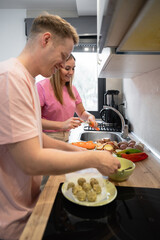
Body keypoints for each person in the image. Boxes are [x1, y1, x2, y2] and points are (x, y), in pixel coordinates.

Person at [0, 13, 120, 240]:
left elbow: (37, 137)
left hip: (26, 208)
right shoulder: (10, 78)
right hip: (10, 222)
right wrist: (95, 159)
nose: (64, 65)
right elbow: (31, 161)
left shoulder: (26, 79)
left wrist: (78, 150)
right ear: (45, 40)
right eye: (63, 55)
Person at [37, 53, 97, 142]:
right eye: (67, 68)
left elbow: (82, 113)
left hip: (66, 137)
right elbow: (35, 121)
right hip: (46, 139)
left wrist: (89, 116)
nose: (71, 72)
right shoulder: (41, 87)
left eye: (73, 68)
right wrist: (63, 125)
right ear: (57, 67)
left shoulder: (72, 89)